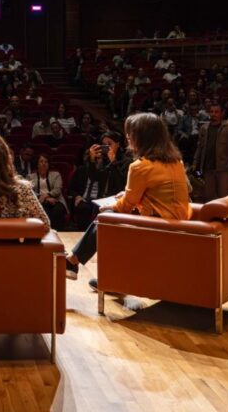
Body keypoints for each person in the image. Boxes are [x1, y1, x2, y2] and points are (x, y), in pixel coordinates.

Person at [64, 113, 192, 289]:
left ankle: (77, 262)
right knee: (110, 219)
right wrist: (124, 196)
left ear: (142, 137)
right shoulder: (176, 162)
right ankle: (103, 274)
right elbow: (156, 193)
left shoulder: (140, 166)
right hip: (179, 222)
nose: (128, 137)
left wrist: (110, 205)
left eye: (131, 133)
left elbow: (125, 206)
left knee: (106, 217)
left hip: (159, 225)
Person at [68, 132, 129, 229]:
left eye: (110, 144)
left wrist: (113, 162)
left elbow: (121, 183)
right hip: (102, 200)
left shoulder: (126, 161)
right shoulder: (104, 161)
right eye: (104, 144)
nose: (107, 147)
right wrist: (92, 160)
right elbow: (94, 177)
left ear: (118, 144)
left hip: (118, 201)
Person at [192, 104, 228, 201]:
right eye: (211, 112)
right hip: (208, 167)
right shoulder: (204, 128)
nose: (213, 114)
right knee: (209, 196)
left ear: (222, 113)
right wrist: (195, 162)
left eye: (216, 112)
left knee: (224, 196)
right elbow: (199, 147)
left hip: (224, 167)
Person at [30, 154, 67, 229]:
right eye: (41, 161)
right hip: (39, 201)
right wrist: (46, 198)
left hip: (56, 200)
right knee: (43, 211)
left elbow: (57, 189)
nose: (44, 164)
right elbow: (30, 191)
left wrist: (47, 195)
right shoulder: (30, 176)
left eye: (46, 162)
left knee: (58, 211)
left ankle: (59, 232)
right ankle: (45, 232)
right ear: (37, 164)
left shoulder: (56, 175)